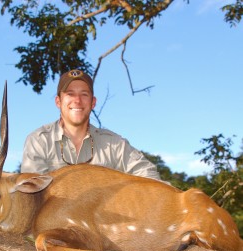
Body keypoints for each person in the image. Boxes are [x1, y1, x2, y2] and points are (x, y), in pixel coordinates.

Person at [21, 69, 161, 180]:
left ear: (93, 102)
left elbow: (149, 176)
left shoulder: (114, 144)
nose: (77, 100)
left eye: (84, 94)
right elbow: (32, 195)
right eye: (70, 94)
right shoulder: (39, 140)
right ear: (58, 101)